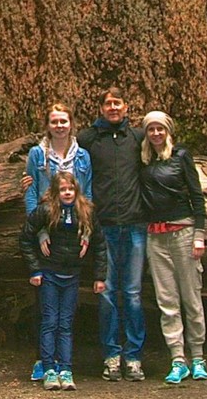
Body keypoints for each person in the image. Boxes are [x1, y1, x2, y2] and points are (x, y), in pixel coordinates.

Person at [76, 87, 147, 381]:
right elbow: (64, 160)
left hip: (134, 226)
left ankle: (134, 357)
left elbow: (166, 155)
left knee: (132, 294)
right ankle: (111, 356)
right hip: (103, 227)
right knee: (106, 294)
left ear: (127, 107)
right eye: (108, 103)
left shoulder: (137, 138)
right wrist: (31, 173)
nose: (113, 108)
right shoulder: (89, 139)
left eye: (118, 103)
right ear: (101, 108)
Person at [23, 104, 93, 381]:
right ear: (48, 125)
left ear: (71, 123)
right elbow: (30, 193)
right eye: (54, 121)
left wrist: (86, 231)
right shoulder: (37, 155)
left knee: (63, 312)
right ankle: (44, 361)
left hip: (72, 235)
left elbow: (87, 194)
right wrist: (38, 231)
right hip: (46, 231)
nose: (60, 125)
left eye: (64, 120)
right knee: (46, 307)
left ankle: (62, 363)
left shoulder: (83, 157)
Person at [20, 171, 107, 391]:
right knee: (50, 321)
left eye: (70, 189)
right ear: (55, 192)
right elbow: (26, 237)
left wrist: (99, 276)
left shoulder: (85, 212)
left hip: (72, 275)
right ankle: (49, 368)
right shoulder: (46, 210)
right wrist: (35, 270)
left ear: (76, 190)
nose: (67, 193)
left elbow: (100, 244)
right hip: (49, 273)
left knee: (66, 323)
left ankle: (66, 369)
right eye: (62, 189)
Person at [139, 110, 207, 384]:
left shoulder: (180, 156)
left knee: (191, 297)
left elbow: (196, 196)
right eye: (151, 129)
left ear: (168, 131)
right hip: (155, 237)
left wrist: (199, 234)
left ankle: (199, 357)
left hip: (183, 233)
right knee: (167, 301)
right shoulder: (143, 161)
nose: (156, 133)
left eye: (160, 129)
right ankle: (178, 359)